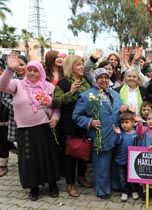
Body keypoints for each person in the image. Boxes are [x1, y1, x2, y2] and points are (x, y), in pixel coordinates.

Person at [0, 55, 60, 201]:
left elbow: (57, 106)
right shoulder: (17, 84)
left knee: (48, 156)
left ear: (41, 72)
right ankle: (34, 187)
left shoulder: (49, 86)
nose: (32, 73)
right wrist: (9, 70)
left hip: (45, 128)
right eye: (29, 70)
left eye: (35, 70)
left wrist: (55, 118)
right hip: (25, 130)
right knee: (29, 159)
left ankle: (52, 184)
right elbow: (2, 86)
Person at [72, 68, 122, 199]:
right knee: (102, 165)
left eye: (106, 77)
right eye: (100, 77)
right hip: (100, 136)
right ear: (95, 79)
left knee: (114, 163)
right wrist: (90, 122)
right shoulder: (87, 95)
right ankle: (103, 190)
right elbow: (76, 115)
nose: (104, 80)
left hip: (115, 135)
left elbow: (117, 112)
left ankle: (115, 185)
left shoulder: (115, 94)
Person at [52, 55, 91, 197]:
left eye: (82, 64)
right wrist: (71, 93)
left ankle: (81, 176)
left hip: (84, 123)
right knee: (70, 153)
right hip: (69, 124)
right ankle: (70, 183)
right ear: (70, 67)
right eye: (78, 65)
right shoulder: (62, 84)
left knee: (84, 149)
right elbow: (55, 102)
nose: (82, 67)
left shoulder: (85, 82)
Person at [113, 111, 139, 202]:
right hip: (121, 160)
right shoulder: (121, 133)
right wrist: (118, 134)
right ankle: (124, 192)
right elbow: (116, 142)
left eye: (127, 122)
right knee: (123, 178)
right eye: (122, 122)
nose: (124, 125)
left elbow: (138, 146)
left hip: (132, 161)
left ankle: (134, 191)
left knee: (131, 177)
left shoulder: (136, 134)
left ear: (132, 123)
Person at [0, 60, 9, 177]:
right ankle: (13, 147)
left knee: (3, 140)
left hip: (5, 115)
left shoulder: (7, 81)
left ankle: (3, 165)